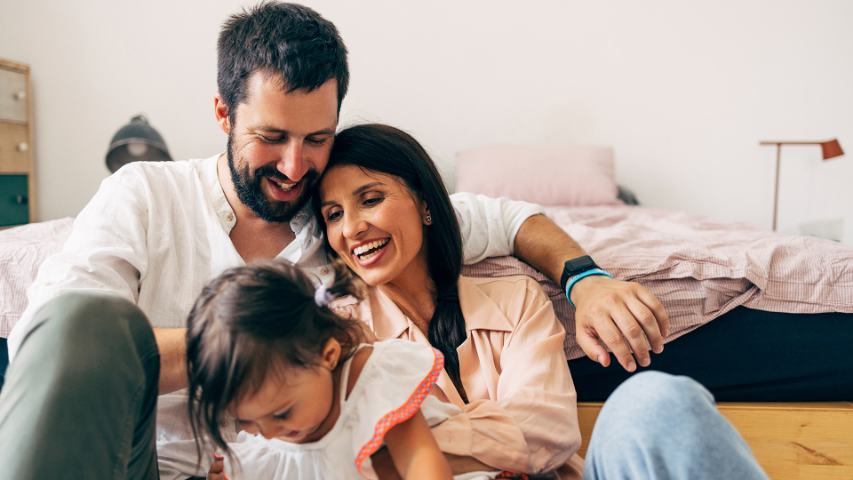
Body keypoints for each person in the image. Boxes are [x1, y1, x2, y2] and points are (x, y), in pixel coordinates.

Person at [315, 123, 769, 479]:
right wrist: (493, 432)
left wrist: (405, 443)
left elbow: (547, 432)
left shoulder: (516, 297)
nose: (351, 228)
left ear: (426, 204)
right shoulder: (341, 335)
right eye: (333, 215)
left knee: (658, 399)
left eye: (370, 200)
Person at [183, 260, 452, 480]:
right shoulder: (270, 439)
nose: (267, 433)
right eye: (246, 422)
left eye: (282, 413)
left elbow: (421, 463)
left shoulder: (371, 381)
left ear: (328, 355)